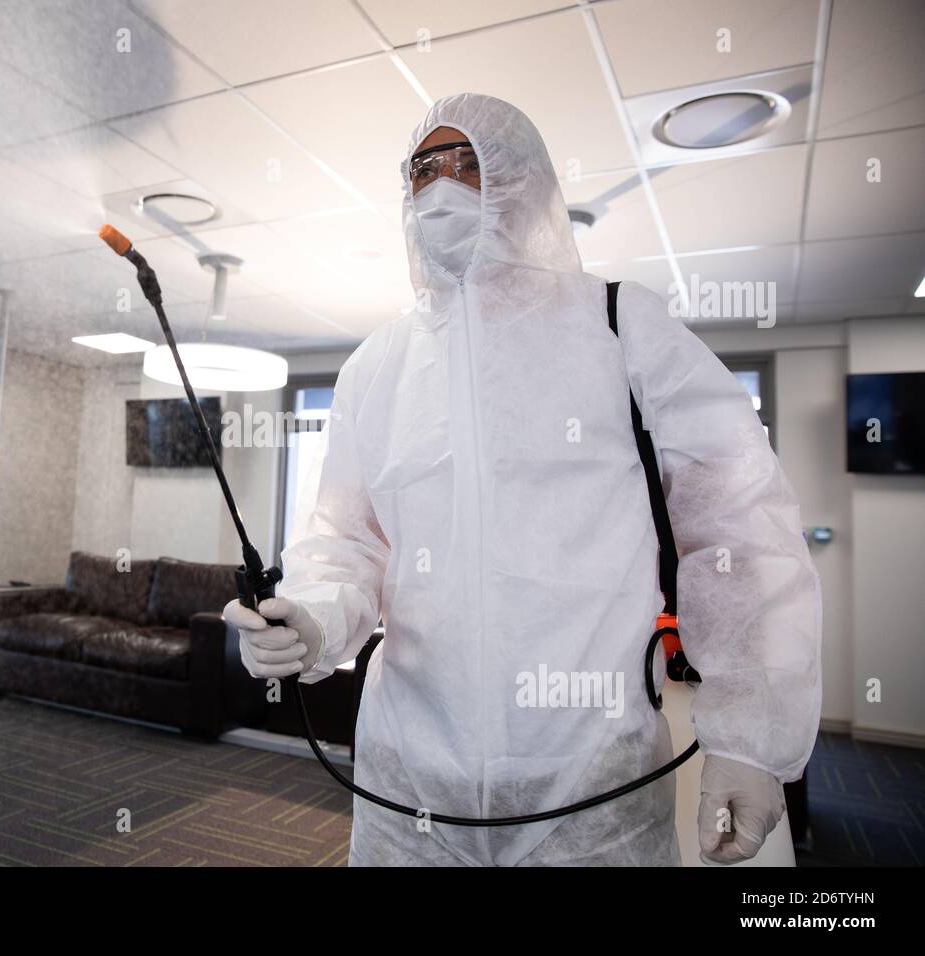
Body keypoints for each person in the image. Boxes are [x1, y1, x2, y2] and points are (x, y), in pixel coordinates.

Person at [223, 93, 821, 866]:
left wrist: (750, 739)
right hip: (410, 794)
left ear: (525, 182)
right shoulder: (377, 367)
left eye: (468, 164)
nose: (441, 189)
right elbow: (346, 541)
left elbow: (741, 530)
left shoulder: (618, 326)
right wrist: (312, 618)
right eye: (423, 171)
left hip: (591, 792)